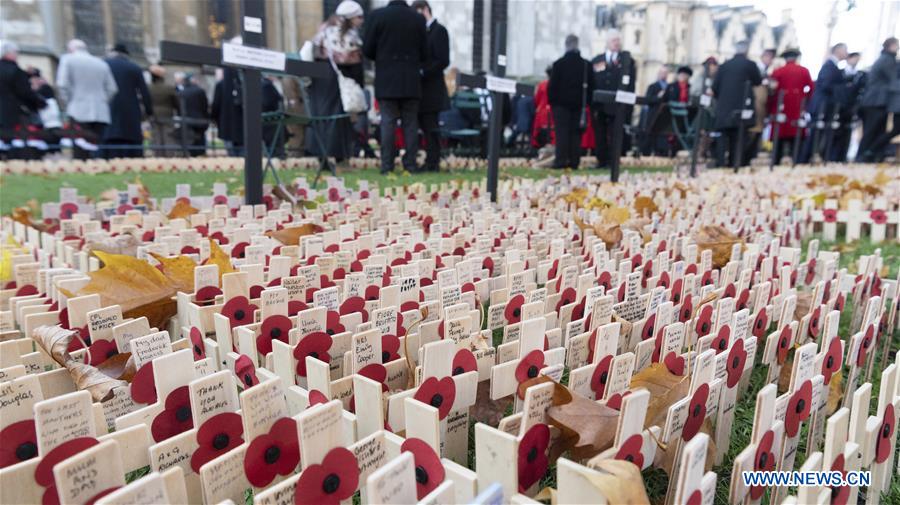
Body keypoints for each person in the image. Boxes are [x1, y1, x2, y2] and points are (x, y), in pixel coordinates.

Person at [363, 0, 427, 174]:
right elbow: (425, 51)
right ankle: (410, 165)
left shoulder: (377, 16)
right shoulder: (418, 19)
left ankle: (387, 166)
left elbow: (367, 49)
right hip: (410, 79)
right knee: (410, 124)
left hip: (387, 78)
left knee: (388, 122)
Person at [308, 0, 365, 166]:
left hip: (319, 82)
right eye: (359, 17)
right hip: (338, 83)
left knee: (321, 118)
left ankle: (322, 156)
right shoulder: (350, 36)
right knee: (338, 120)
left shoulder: (323, 31)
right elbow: (355, 63)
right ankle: (340, 156)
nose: (362, 20)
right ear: (351, 18)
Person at [56, 39, 118, 159]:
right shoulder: (101, 63)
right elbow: (112, 89)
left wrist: (68, 103)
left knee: (80, 148)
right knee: (95, 146)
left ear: (70, 49)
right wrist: (102, 101)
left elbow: (62, 84)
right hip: (100, 111)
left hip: (77, 109)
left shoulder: (67, 59)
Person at [711, 40, 762, 168]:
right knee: (738, 138)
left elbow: (715, 87)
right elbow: (757, 81)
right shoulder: (750, 65)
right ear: (746, 50)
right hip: (741, 108)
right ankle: (734, 163)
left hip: (724, 109)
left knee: (723, 137)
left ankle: (721, 162)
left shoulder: (724, 66)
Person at [590, 29, 636, 168]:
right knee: (600, 133)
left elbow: (631, 85)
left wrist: (629, 107)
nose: (617, 43)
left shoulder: (627, 62)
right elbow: (593, 82)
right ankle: (601, 160)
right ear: (607, 42)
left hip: (618, 105)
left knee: (616, 133)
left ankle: (613, 160)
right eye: (614, 40)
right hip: (600, 105)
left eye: (618, 40)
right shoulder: (597, 60)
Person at [413, 0, 450, 172]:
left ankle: (433, 161)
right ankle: (428, 160)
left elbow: (442, 60)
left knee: (431, 127)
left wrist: (423, 71)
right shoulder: (421, 31)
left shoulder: (439, 31)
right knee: (423, 126)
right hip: (421, 89)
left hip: (432, 89)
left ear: (425, 10)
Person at [548, 34, 592, 169]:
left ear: (566, 45)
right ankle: (574, 161)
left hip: (561, 105)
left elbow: (552, 87)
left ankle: (561, 160)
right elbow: (592, 86)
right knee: (576, 134)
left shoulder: (559, 64)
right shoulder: (586, 65)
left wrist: (553, 103)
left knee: (561, 134)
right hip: (579, 105)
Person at [799, 43, 847, 163]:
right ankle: (803, 160)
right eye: (845, 50)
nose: (846, 53)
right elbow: (826, 85)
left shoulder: (833, 66)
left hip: (825, 105)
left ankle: (807, 158)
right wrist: (842, 89)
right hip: (822, 106)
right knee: (815, 134)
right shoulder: (830, 66)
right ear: (838, 50)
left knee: (818, 134)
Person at [103, 43, 153, 158]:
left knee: (110, 143)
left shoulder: (104, 65)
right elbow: (144, 92)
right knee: (131, 147)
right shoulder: (134, 67)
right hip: (130, 112)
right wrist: (149, 111)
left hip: (109, 109)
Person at [0, 42, 46, 159]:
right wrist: (40, 102)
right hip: (14, 114)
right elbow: (25, 93)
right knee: (17, 145)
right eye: (16, 53)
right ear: (10, 53)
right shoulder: (16, 71)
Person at [768, 49, 813, 164]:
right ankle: (797, 161)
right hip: (797, 109)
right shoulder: (804, 71)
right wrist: (805, 100)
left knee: (779, 138)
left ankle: (775, 161)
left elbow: (771, 91)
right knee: (796, 139)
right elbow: (811, 89)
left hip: (781, 108)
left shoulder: (778, 71)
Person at [857, 37, 898, 162]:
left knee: (876, 130)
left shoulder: (885, 59)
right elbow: (893, 80)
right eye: (897, 45)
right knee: (872, 130)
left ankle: (869, 156)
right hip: (876, 101)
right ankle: (863, 156)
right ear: (890, 46)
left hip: (877, 101)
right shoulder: (887, 60)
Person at [832, 52, 865, 161]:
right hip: (839, 107)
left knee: (847, 133)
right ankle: (832, 156)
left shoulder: (859, 75)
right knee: (835, 133)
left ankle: (841, 157)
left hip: (850, 108)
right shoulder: (840, 72)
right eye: (855, 58)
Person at [865, 64, 900, 162]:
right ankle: (872, 149)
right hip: (898, 107)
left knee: (894, 130)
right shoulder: (895, 68)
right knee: (895, 130)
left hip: (896, 106)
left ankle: (873, 149)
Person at [177, 73, 210, 157]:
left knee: (189, 142)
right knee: (200, 141)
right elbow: (205, 106)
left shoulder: (181, 92)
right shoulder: (200, 91)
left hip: (186, 120)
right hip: (200, 120)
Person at [148, 65, 178, 156]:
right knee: (168, 135)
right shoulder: (169, 88)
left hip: (153, 114)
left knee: (156, 136)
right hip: (167, 115)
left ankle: (158, 156)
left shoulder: (148, 87)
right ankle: (169, 155)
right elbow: (176, 102)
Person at [641, 66, 669, 156]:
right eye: (661, 73)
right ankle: (646, 152)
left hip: (664, 116)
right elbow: (648, 100)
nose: (663, 75)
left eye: (665, 73)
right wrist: (658, 97)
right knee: (650, 134)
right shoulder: (653, 86)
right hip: (653, 114)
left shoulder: (669, 87)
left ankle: (661, 152)